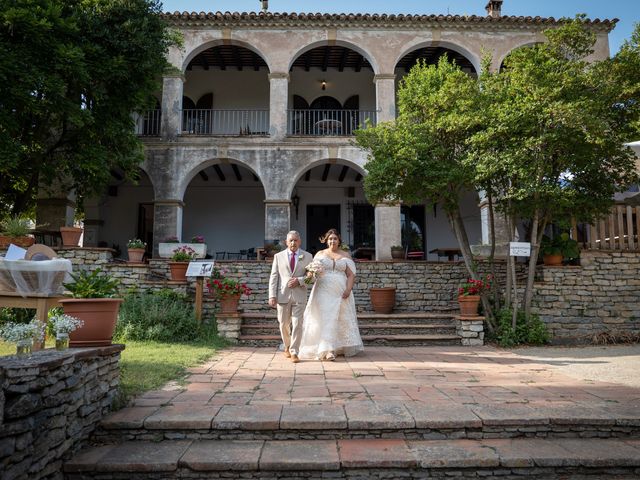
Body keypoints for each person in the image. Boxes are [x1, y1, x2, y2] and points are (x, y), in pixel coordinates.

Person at [298, 228, 364, 361]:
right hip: (323, 290)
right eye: (330, 239)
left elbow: (351, 275)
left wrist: (348, 289)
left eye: (335, 239)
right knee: (326, 317)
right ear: (326, 241)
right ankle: (327, 350)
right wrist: (306, 278)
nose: (332, 241)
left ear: (339, 240)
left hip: (341, 292)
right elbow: (311, 273)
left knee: (339, 318)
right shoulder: (320, 254)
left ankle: (337, 346)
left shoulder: (346, 255)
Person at [268, 231, 312, 363]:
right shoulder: (278, 256)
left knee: (298, 324)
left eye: (295, 240)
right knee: (283, 324)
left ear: (300, 241)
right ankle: (286, 346)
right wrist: (272, 295)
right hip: (283, 295)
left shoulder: (308, 256)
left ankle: (294, 352)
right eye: (291, 240)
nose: (293, 243)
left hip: (299, 295)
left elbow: (313, 277)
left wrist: (300, 280)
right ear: (286, 242)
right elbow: (274, 277)